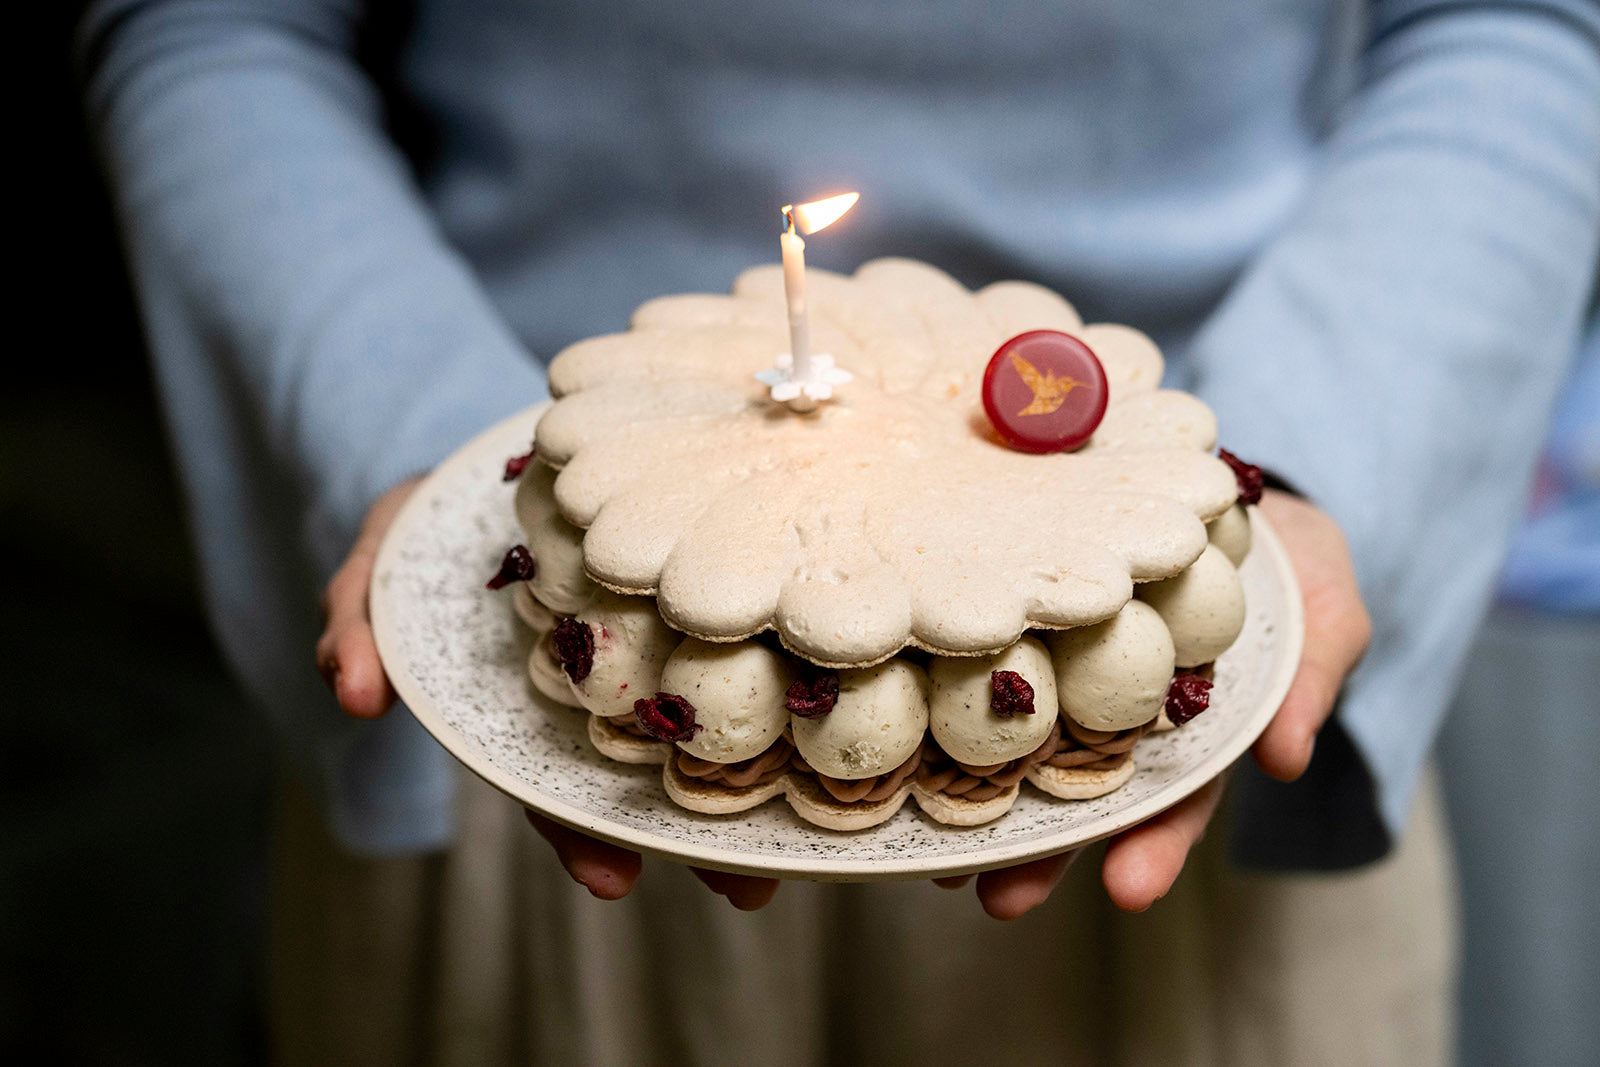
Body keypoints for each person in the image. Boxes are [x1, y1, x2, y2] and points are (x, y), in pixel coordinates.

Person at [80, 0, 1599, 1062]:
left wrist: (1313, 465)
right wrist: (416, 436)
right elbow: (217, 22)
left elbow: (1514, 18)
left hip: (1181, 692)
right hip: (537, 713)